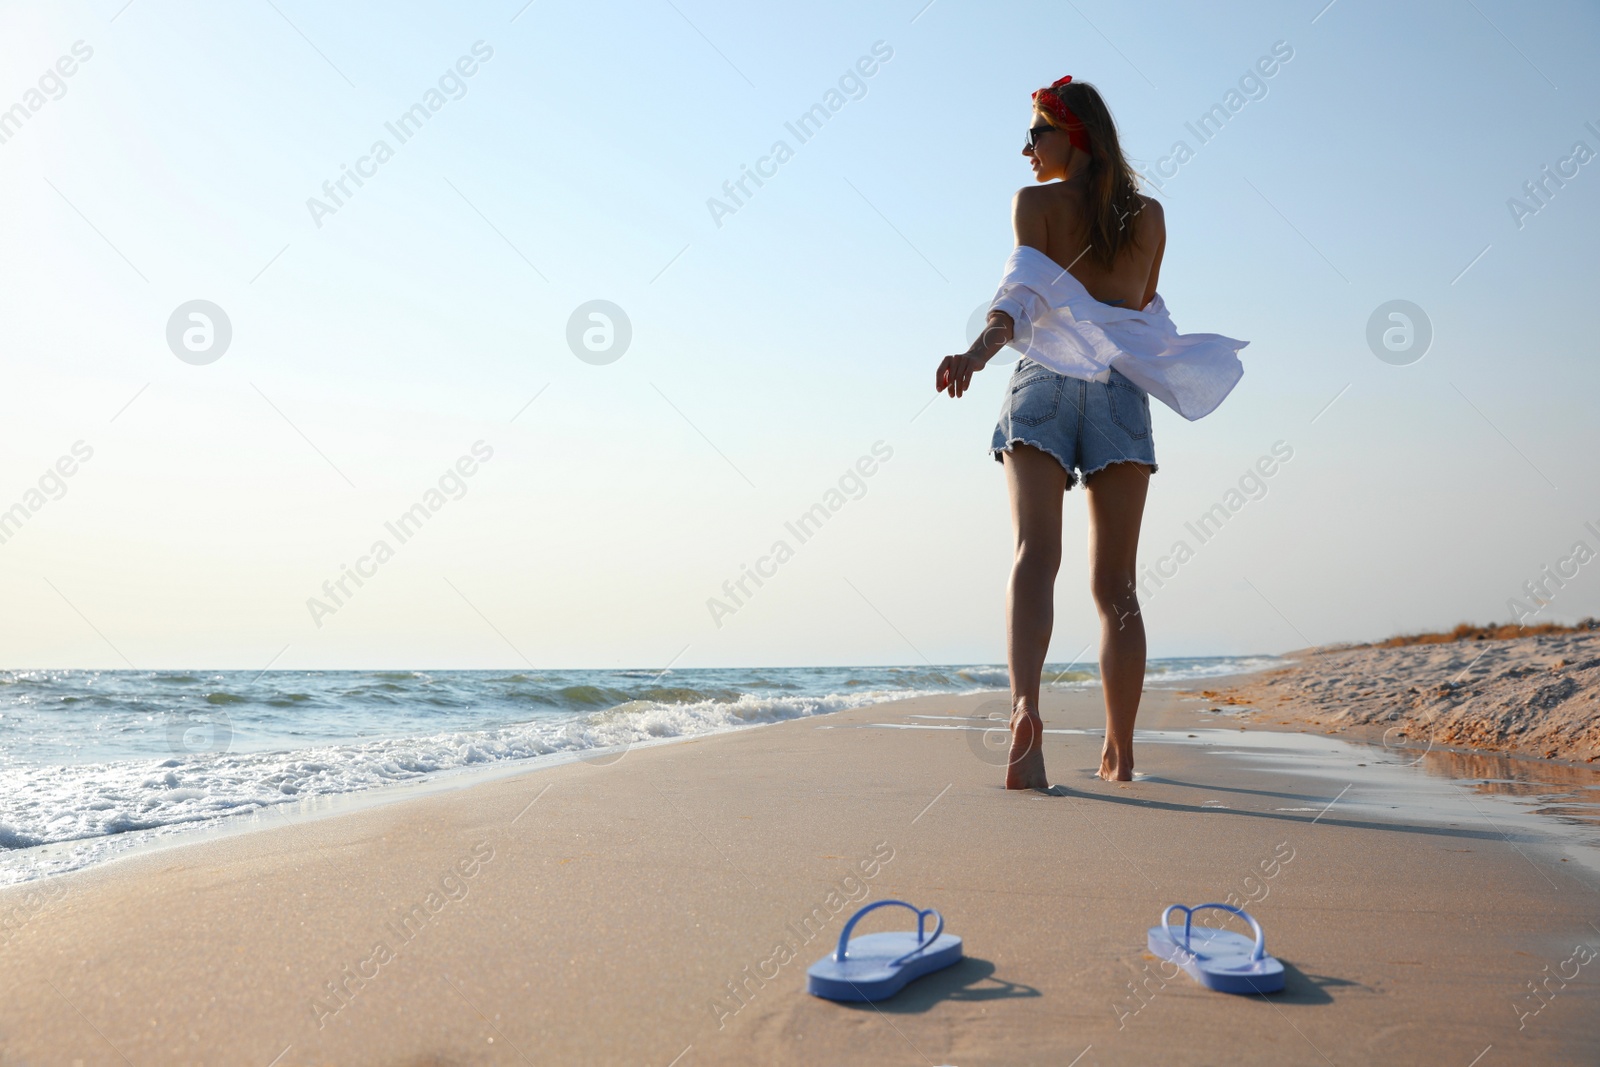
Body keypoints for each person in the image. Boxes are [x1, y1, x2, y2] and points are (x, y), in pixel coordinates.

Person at [936, 76, 1169, 790]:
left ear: (1077, 135)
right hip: (1118, 390)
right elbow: (1141, 309)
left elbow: (1016, 300)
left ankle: (1027, 714)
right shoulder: (1150, 217)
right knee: (1118, 587)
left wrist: (975, 355)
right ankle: (1120, 755)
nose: (1027, 147)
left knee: (1036, 555)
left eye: (1037, 131)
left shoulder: (1033, 206)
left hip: (1043, 379)